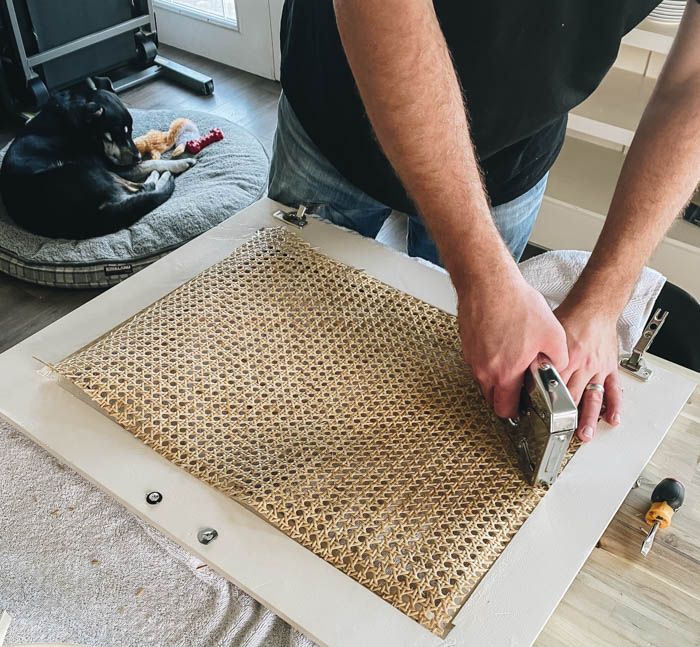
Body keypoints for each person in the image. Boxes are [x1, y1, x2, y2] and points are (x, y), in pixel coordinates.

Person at [269, 1, 700, 443]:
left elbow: (693, 83)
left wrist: (603, 302)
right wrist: (483, 280)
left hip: (510, 152)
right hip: (336, 109)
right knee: (278, 357)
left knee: (458, 383)